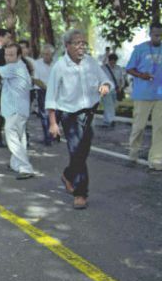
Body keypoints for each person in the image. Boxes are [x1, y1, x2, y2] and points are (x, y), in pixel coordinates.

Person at [45, 29, 112, 209]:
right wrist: (53, 123)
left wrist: (104, 86)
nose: (81, 46)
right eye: (77, 43)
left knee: (83, 151)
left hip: (89, 113)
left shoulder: (91, 63)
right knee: (77, 152)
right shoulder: (59, 67)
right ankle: (80, 193)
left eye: (84, 43)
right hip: (69, 115)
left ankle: (68, 174)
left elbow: (105, 80)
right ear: (67, 46)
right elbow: (51, 97)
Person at [0, 44, 36, 179]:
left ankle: (26, 168)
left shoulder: (14, 67)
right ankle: (16, 164)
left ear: (19, 56)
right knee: (20, 139)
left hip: (15, 110)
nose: (8, 57)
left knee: (12, 138)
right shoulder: (21, 66)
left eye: (11, 55)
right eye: (6, 54)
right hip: (19, 109)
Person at [125, 22, 162, 171]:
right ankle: (133, 152)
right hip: (142, 95)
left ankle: (156, 160)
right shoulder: (140, 49)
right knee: (139, 127)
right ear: (150, 34)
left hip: (160, 94)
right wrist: (142, 75)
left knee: (160, 128)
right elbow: (129, 68)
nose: (158, 38)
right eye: (155, 35)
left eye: (161, 35)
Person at [31, 44, 56, 145]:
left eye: (48, 54)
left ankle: (53, 134)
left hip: (55, 91)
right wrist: (47, 88)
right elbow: (36, 79)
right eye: (44, 54)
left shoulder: (56, 64)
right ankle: (47, 137)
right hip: (42, 91)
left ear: (52, 55)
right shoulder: (37, 64)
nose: (46, 56)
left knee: (55, 114)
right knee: (44, 115)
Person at [99, 54, 126, 128]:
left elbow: (121, 79)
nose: (113, 63)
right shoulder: (103, 68)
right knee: (108, 105)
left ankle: (106, 121)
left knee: (112, 105)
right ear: (109, 60)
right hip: (106, 89)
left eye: (114, 61)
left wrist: (121, 87)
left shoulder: (119, 68)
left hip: (116, 90)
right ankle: (110, 120)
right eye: (112, 61)